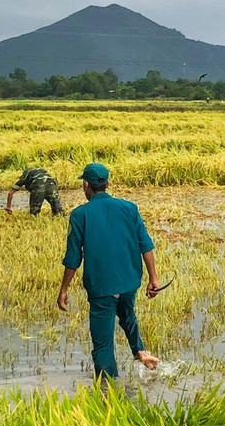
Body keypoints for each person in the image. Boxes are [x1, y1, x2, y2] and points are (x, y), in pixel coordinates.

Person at [57, 163, 165, 384]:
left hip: (101, 286)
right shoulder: (129, 208)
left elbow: (73, 258)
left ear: (86, 185)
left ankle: (108, 390)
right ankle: (141, 351)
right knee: (127, 315)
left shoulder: (80, 215)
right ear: (106, 184)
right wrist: (153, 278)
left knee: (103, 345)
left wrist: (64, 289)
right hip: (129, 281)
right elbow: (146, 245)